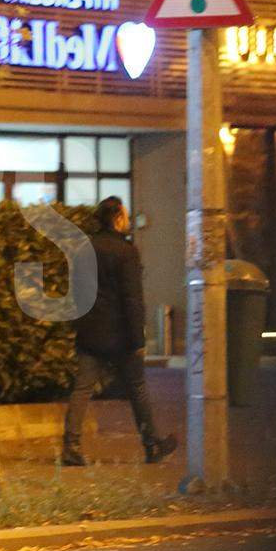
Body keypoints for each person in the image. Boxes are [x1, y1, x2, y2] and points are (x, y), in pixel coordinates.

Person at [61, 196, 178, 467]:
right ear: (117, 218)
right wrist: (138, 339)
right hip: (121, 335)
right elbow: (132, 299)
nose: (127, 220)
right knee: (137, 388)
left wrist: (80, 326)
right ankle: (151, 445)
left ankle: (71, 447)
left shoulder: (84, 249)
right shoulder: (126, 252)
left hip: (91, 334)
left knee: (82, 389)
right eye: (124, 215)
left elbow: (76, 294)